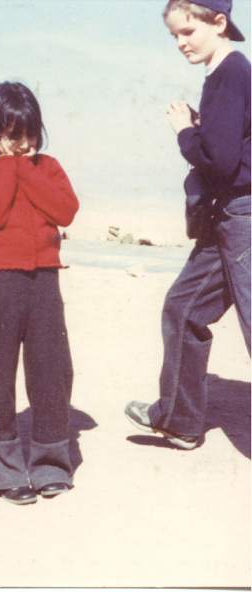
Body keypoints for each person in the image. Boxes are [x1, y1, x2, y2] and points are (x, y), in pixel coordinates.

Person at [125, 0, 250, 449]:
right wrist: (201, 130)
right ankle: (179, 420)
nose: (181, 42)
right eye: (175, 35)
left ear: (220, 22)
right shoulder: (224, 73)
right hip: (227, 217)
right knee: (183, 307)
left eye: (188, 31)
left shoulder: (230, 72)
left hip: (243, 216)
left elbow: (220, 160)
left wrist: (184, 131)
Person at [0, 81, 80, 505]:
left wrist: (25, 168)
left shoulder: (48, 166)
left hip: (44, 280)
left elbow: (65, 210)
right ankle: (1, 471)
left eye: (30, 133)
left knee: (51, 370)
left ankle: (51, 465)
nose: (25, 143)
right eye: (14, 135)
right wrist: (10, 166)